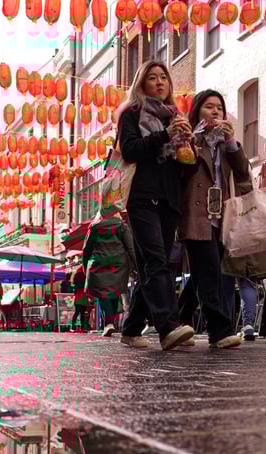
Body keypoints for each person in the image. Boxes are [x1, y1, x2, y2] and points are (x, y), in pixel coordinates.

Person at [116, 61, 196, 351]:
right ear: (142, 83)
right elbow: (131, 149)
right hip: (142, 196)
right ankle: (168, 327)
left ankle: (131, 327)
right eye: (153, 78)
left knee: (156, 264)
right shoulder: (132, 114)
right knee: (156, 261)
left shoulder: (176, 116)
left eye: (164, 77)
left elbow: (187, 166)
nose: (160, 82)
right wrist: (165, 135)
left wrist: (188, 144)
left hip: (170, 199)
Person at [177, 89, 251, 349]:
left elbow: (243, 174)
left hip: (222, 217)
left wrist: (231, 142)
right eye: (208, 107)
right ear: (197, 111)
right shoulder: (188, 139)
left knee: (201, 273)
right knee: (210, 273)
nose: (215, 111)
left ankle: (180, 319)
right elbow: (182, 172)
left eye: (219, 107)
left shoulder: (225, 144)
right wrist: (192, 140)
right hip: (196, 215)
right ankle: (219, 331)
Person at [83, 215, 137, 337]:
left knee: (103, 293)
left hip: (98, 262)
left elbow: (86, 249)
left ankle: (109, 323)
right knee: (114, 291)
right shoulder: (122, 226)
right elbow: (130, 248)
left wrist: (85, 267)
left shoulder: (94, 227)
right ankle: (110, 322)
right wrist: (136, 266)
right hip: (118, 263)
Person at [69, 265, 90, 331]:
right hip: (84, 296)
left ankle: (73, 326)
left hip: (78, 296)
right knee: (83, 313)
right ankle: (82, 327)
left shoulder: (76, 276)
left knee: (77, 312)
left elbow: (74, 287)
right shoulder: (85, 276)